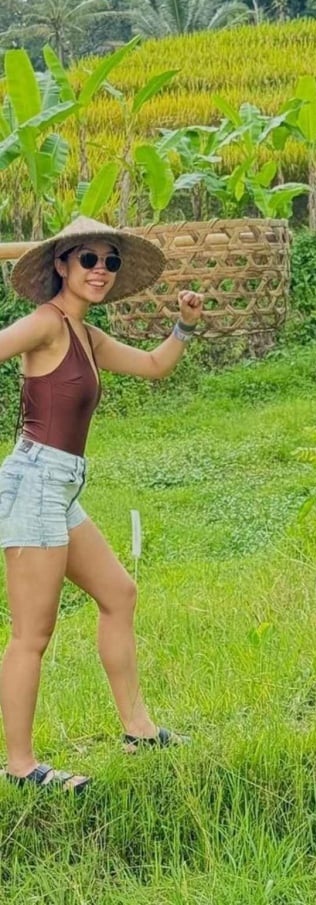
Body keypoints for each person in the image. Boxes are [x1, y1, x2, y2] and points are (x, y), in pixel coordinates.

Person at [0, 216, 203, 793]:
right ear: (61, 265)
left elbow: (155, 366)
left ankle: (138, 730)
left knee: (119, 593)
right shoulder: (44, 323)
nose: (101, 271)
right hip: (35, 479)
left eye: (110, 261)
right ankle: (19, 766)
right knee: (31, 634)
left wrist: (184, 327)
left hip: (61, 485)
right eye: (88, 259)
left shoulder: (86, 335)